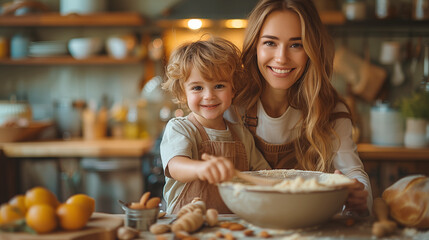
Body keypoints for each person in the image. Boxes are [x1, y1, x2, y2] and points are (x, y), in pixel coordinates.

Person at [225, 0, 373, 215]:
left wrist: (359, 196)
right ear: (254, 46)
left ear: (311, 49)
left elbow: (353, 172)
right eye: (270, 43)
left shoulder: (331, 109)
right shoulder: (231, 104)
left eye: (296, 44)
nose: (281, 58)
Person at [160, 37, 271, 214]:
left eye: (219, 86)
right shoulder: (180, 128)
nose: (209, 96)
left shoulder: (241, 134)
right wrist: (201, 168)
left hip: (232, 227)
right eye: (197, 88)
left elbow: (263, 175)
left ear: (233, 89)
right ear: (182, 93)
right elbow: (175, 167)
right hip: (187, 225)